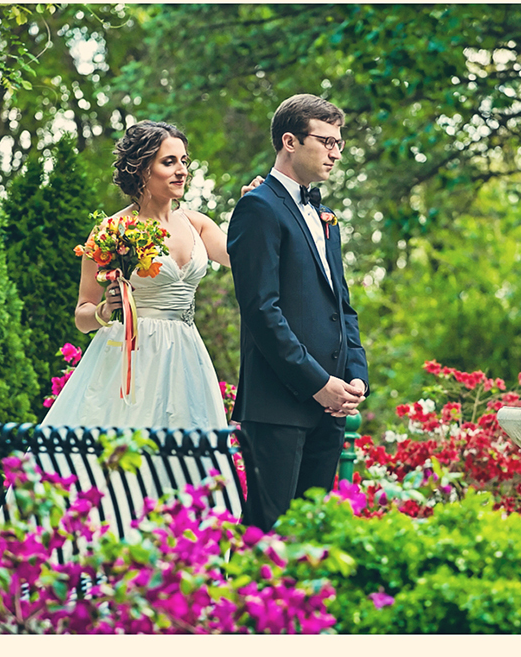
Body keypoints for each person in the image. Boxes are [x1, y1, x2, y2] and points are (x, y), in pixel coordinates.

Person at [227, 94, 369, 531]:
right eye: (325, 141)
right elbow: (261, 311)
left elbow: (341, 305)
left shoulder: (326, 215)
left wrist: (355, 375)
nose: (335, 152)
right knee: (268, 534)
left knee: (310, 538)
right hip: (277, 405)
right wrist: (316, 383)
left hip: (330, 406)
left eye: (339, 143)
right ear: (289, 140)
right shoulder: (258, 207)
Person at [44, 120, 233, 431]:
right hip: (130, 358)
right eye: (169, 162)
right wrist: (105, 310)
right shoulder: (111, 231)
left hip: (187, 357)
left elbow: (246, 258)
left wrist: (256, 208)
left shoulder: (197, 224)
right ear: (142, 169)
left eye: (184, 161)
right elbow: (82, 316)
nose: (182, 171)